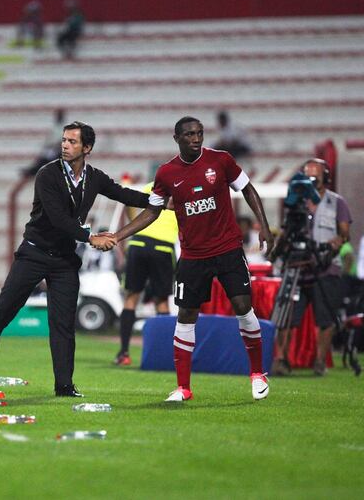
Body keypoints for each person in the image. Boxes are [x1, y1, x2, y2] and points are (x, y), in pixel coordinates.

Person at [0, 121, 150, 397]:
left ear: (87, 148)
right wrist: (91, 238)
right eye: (64, 140)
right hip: (33, 253)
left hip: (64, 261)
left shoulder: (94, 177)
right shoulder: (47, 174)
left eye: (72, 142)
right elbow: (58, 219)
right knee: (2, 311)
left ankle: (64, 384)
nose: (65, 145)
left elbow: (123, 194)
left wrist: (157, 201)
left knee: (62, 325)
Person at [112, 116, 276, 402]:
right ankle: (183, 388)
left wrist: (263, 226)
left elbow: (248, 189)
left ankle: (257, 373)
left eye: (199, 133)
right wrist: (118, 235)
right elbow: (152, 211)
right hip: (193, 255)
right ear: (177, 138)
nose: (196, 139)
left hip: (227, 249)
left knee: (243, 306)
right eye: (189, 134)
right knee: (186, 315)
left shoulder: (221, 160)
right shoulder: (166, 173)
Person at [272, 159, 352, 376]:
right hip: (296, 266)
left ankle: (319, 362)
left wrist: (334, 243)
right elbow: (287, 230)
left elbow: (345, 233)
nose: (311, 179)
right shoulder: (296, 201)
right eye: (307, 175)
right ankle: (282, 359)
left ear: (325, 177)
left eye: (315, 175)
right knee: (286, 316)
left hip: (325, 268)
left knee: (325, 318)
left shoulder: (337, 202)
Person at [114, 181, 178, 366]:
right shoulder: (183, 187)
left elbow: (130, 203)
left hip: (138, 243)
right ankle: (164, 354)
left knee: (131, 298)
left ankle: (124, 353)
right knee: (162, 301)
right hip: (163, 246)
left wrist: (133, 222)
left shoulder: (152, 185)